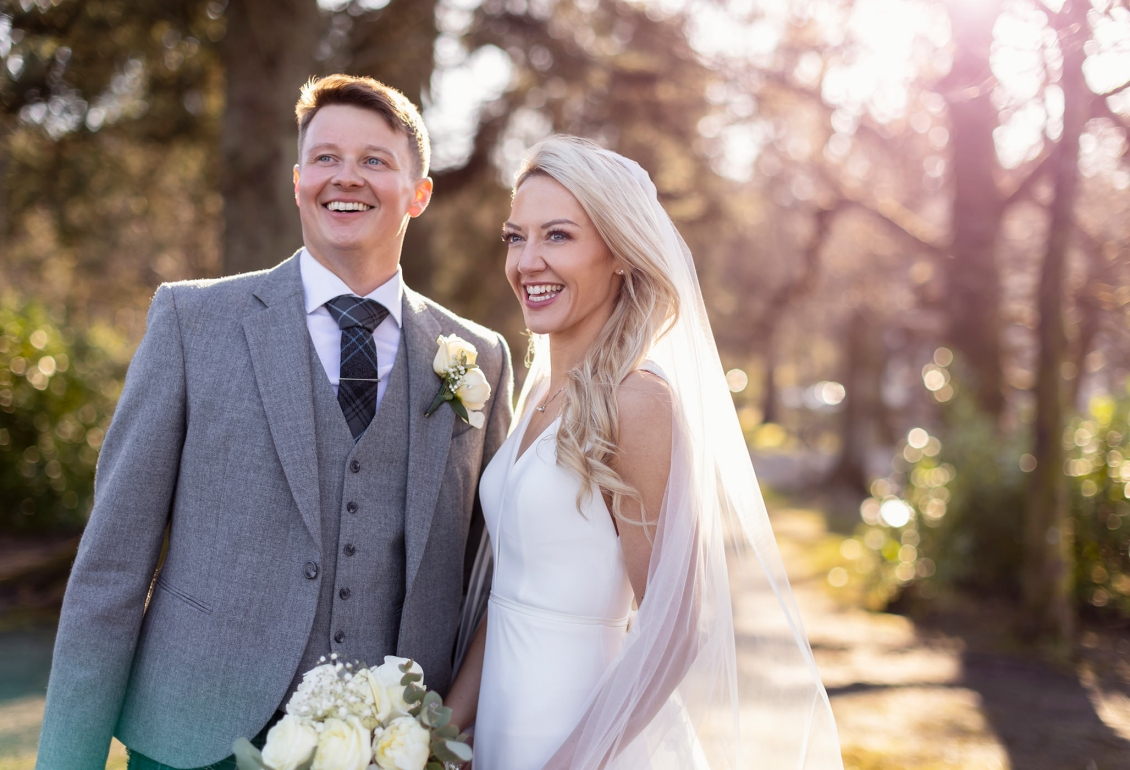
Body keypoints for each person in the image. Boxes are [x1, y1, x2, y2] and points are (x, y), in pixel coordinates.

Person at [35, 75, 513, 770]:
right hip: (195, 742)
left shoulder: (481, 359)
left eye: (374, 160)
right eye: (324, 158)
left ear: (419, 192)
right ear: (297, 182)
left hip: (394, 750)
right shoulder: (191, 323)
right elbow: (110, 567)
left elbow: (485, 581)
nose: (344, 177)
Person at [443, 136, 843, 769]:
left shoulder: (637, 402)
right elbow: (511, 597)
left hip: (585, 736)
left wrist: (570, 763)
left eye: (558, 236)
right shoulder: (541, 390)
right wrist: (441, 732)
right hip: (501, 726)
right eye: (515, 237)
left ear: (619, 254)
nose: (527, 261)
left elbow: (679, 628)